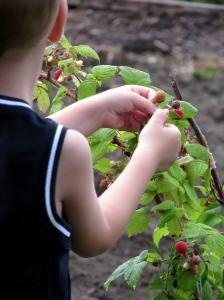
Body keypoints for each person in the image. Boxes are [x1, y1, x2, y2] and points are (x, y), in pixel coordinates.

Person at [0, 0, 181, 299]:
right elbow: (95, 237)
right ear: (60, 18)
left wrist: (96, 113)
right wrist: (149, 154)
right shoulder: (65, 153)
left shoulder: (53, 151)